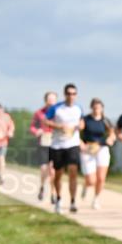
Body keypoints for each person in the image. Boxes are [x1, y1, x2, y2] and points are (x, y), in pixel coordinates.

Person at [45, 84, 83, 214]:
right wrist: (59, 126)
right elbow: (46, 121)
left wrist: (80, 126)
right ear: (65, 94)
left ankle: (73, 201)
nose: (71, 96)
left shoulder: (78, 108)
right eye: (69, 93)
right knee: (58, 174)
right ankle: (59, 199)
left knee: (73, 171)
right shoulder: (56, 108)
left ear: (76, 95)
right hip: (57, 145)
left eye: (73, 93)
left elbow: (81, 122)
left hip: (73, 144)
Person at [79, 99, 116, 210]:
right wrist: (81, 144)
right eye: (95, 108)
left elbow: (112, 133)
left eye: (99, 108)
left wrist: (111, 139)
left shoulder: (105, 120)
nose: (97, 110)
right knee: (91, 180)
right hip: (88, 149)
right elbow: (77, 132)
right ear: (91, 108)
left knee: (101, 178)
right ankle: (86, 185)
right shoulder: (85, 119)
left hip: (102, 149)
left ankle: (96, 198)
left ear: (102, 108)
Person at [30, 91, 57, 201]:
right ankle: (42, 187)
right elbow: (32, 127)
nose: (51, 103)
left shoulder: (59, 113)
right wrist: (37, 131)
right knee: (43, 169)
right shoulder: (39, 113)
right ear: (45, 101)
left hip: (55, 143)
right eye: (49, 101)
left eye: (53, 101)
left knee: (52, 170)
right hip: (43, 143)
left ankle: (53, 193)